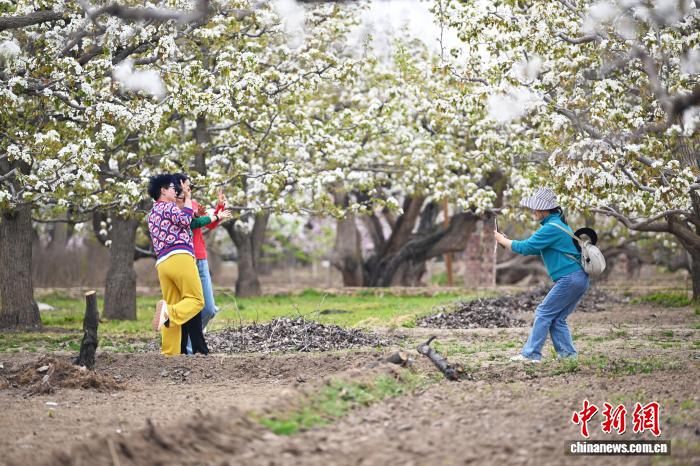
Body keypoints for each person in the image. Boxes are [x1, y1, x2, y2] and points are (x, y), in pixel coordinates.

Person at [494, 187, 589, 363]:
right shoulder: (557, 225)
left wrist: (502, 240)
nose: (533, 211)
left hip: (570, 278)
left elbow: (526, 247)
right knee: (557, 318)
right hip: (579, 278)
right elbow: (535, 248)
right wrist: (507, 242)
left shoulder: (551, 228)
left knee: (543, 312)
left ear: (545, 210)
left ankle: (531, 354)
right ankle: (568, 356)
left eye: (535, 208)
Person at [172, 174, 232, 354]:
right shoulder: (172, 208)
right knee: (192, 307)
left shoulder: (193, 203)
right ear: (178, 187)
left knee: (209, 309)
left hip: (201, 259)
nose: (190, 189)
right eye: (187, 186)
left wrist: (219, 207)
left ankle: (189, 346)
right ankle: (187, 350)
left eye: (190, 187)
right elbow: (192, 223)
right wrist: (214, 215)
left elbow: (210, 224)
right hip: (185, 260)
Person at [147, 174, 204, 355]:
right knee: (196, 300)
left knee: (172, 303)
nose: (175, 191)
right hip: (180, 257)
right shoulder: (168, 206)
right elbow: (185, 221)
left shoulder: (152, 213)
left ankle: (169, 354)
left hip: (162, 264)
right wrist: (187, 198)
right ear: (163, 191)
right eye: (172, 188)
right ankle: (169, 313)